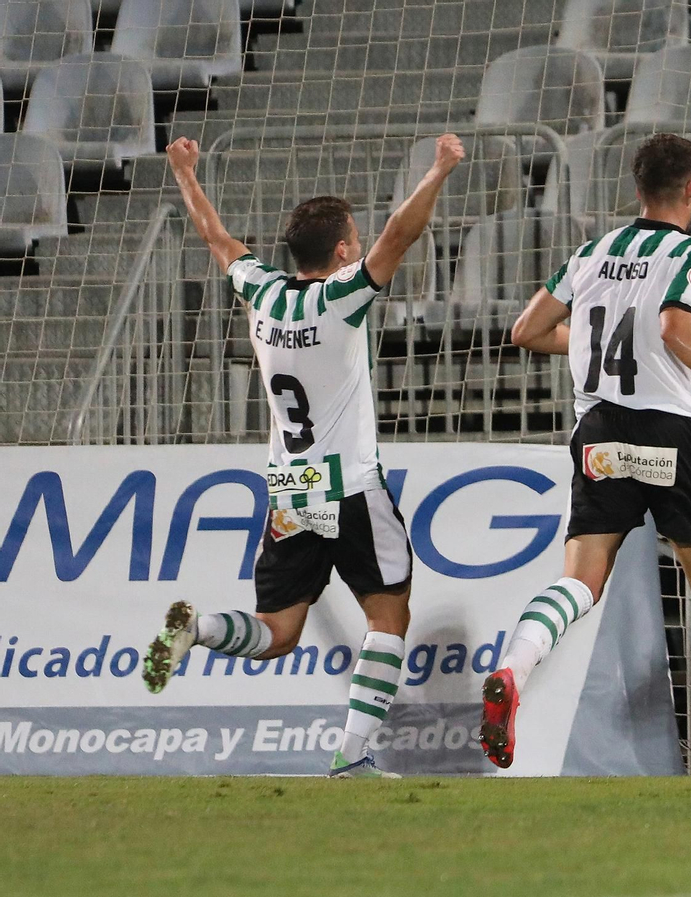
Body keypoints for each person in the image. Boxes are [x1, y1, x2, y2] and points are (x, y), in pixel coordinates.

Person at [141, 134, 466, 778]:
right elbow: (400, 235)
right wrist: (439, 170)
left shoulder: (262, 293)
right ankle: (352, 758)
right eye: (355, 237)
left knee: (277, 632)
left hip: (289, 492)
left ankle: (200, 628)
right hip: (351, 488)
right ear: (343, 250)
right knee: (389, 615)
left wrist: (184, 173)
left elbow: (217, 239)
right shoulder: (342, 298)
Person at [479, 134, 691, 775]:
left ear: (636, 190)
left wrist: (591, 339)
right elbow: (675, 326)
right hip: (669, 428)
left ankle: (512, 669)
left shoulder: (590, 253)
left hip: (598, 430)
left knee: (580, 579)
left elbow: (526, 331)